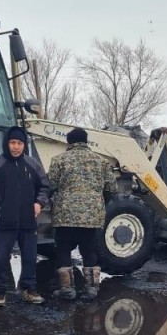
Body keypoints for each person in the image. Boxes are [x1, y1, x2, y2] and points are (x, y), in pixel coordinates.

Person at [0, 126, 51, 307]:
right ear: (6, 143)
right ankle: (0, 292)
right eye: (12, 142)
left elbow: (44, 186)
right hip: (4, 222)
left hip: (28, 221)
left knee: (29, 257)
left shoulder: (32, 164)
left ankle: (29, 289)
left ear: (24, 145)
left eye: (19, 143)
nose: (16, 147)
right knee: (2, 258)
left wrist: (39, 203)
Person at [47, 127, 118, 301]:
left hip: (65, 216)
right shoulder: (101, 162)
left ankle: (67, 290)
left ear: (69, 142)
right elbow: (112, 189)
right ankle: (91, 290)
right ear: (86, 141)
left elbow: (50, 185)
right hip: (92, 217)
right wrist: (98, 203)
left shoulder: (59, 160)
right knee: (89, 251)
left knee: (63, 250)